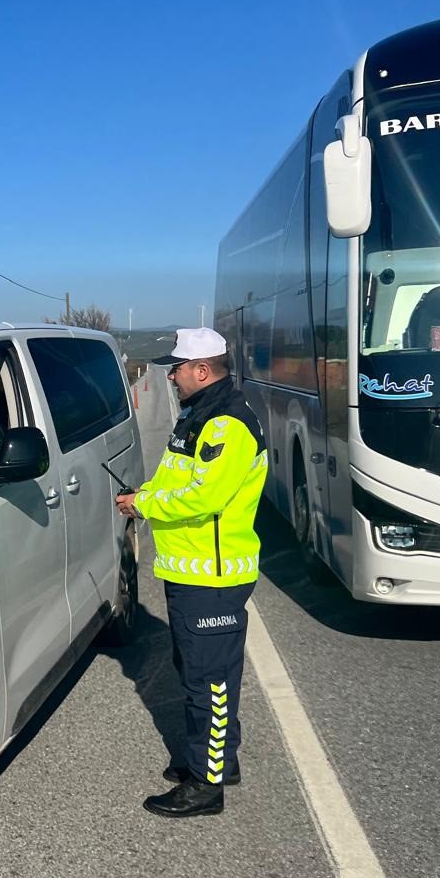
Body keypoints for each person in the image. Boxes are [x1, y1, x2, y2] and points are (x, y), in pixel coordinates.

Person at [116, 327, 268, 818]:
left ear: (202, 370)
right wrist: (146, 493)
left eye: (177, 369)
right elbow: (174, 478)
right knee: (198, 672)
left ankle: (207, 785)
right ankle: (218, 760)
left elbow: (205, 496)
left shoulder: (227, 425)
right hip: (190, 570)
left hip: (214, 577)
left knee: (211, 681)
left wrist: (144, 504)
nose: (173, 377)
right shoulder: (197, 416)